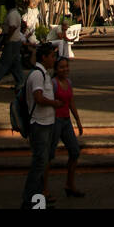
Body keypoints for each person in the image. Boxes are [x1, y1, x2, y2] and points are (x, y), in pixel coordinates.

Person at [21, 42, 58, 209]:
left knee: (42, 163)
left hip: (47, 122)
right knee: (39, 163)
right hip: (39, 124)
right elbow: (38, 98)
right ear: (44, 57)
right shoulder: (37, 75)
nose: (54, 59)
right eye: (52, 56)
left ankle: (38, 201)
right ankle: (30, 200)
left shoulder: (44, 74)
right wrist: (54, 103)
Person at [50, 54, 85, 198]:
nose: (65, 69)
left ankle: (70, 185)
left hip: (66, 121)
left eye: (66, 66)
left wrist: (77, 120)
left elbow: (71, 102)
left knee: (75, 151)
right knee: (48, 155)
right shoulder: (52, 83)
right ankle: (42, 188)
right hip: (55, 122)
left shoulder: (69, 82)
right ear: (56, 69)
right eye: (61, 67)